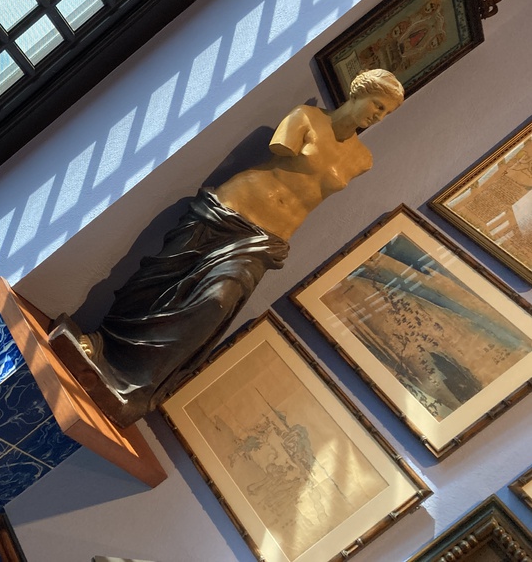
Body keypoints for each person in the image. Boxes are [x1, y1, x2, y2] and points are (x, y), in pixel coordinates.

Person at [49, 69, 405, 427]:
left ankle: (133, 382)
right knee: (160, 278)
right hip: (228, 210)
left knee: (217, 302)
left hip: (264, 242)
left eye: (386, 113)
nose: (379, 116)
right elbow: (280, 151)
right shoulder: (306, 118)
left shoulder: (362, 160)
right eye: (378, 105)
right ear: (358, 92)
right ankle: (101, 342)